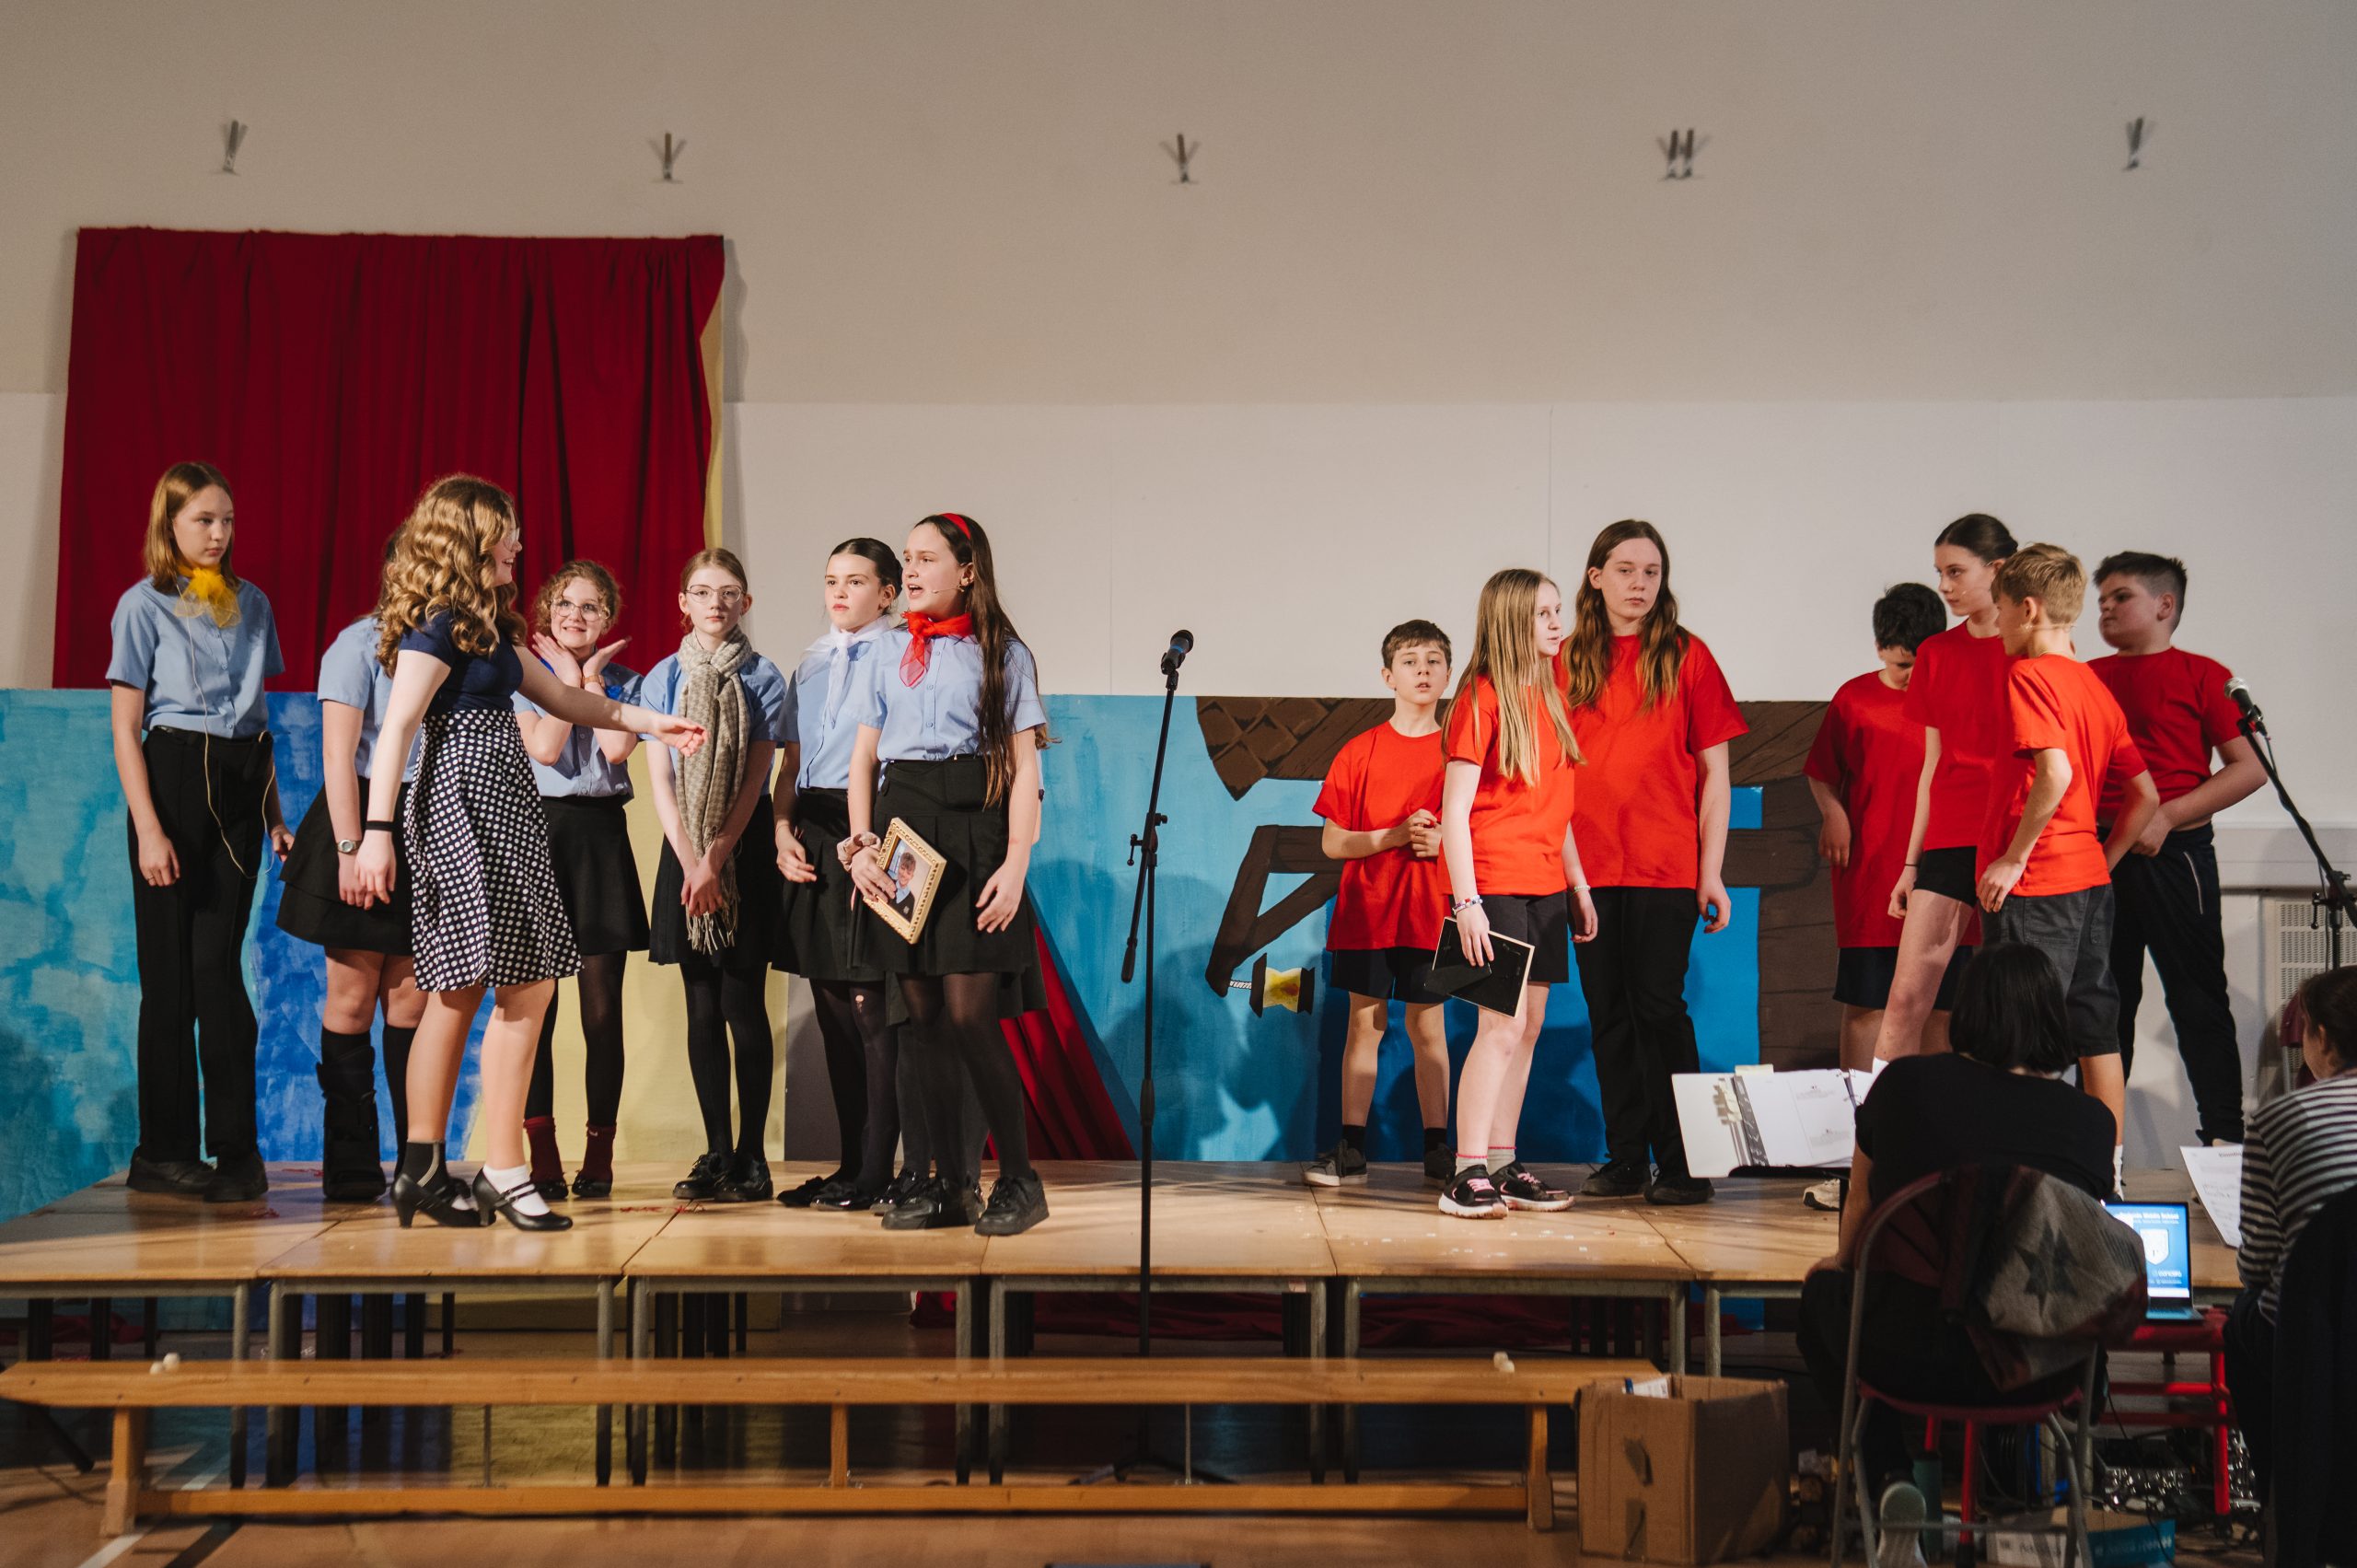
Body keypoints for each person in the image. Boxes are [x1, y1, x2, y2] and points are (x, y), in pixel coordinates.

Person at [354, 476, 703, 1232]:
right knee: (464, 984)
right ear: (472, 538)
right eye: (506, 529)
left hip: (508, 809)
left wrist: (655, 722)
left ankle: (468, 1169)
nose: (517, 541)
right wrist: (376, 833)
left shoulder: (493, 629)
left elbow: (571, 702)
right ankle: (455, 1168)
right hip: (459, 805)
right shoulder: (439, 627)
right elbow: (399, 728)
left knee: (522, 984)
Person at [1796, 943, 2119, 1561]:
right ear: (2053, 1019)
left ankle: (1889, 1480)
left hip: (1907, 1353)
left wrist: (1840, 1267)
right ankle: (2038, 1518)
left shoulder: (1904, 1085)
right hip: (2039, 1366)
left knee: (1825, 1298)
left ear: (1968, 1011)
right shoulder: (2091, 1123)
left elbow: (1859, 1218)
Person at [844, 512, 1051, 1237]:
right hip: (905, 827)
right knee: (923, 1020)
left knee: (969, 1015)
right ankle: (950, 1184)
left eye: (926, 558)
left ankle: (1020, 1178)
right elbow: (863, 758)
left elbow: (1024, 768)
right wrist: (861, 846)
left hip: (974, 829)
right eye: (907, 557)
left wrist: (1016, 862)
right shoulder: (886, 649)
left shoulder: (1003, 653)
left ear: (967, 570)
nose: (911, 570)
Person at [107, 461, 295, 1202]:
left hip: (241, 783)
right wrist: (150, 828)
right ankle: (163, 1150)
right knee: (171, 978)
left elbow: (259, 721)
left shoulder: (253, 603)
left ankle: (238, 1150)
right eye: (203, 520)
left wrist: (275, 815)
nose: (218, 534)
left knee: (219, 971)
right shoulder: (142, 605)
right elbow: (126, 728)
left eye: (227, 520)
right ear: (171, 523)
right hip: (174, 778)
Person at [1563, 520, 1747, 1206]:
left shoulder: (1686, 654)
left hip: (1665, 865)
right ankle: (1626, 1159)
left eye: (1651, 572)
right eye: (1625, 570)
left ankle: (1684, 1164)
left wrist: (1711, 870)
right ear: (1596, 578)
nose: (1639, 584)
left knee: (1659, 1011)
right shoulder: (1565, 658)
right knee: (1608, 1014)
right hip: (1588, 870)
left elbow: (1716, 774)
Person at [1977, 543, 2159, 1191]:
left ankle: (2030, 1176)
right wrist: (2101, 860)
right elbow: (2146, 796)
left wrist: (2014, 855)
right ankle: (2105, 1173)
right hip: (2087, 881)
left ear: (2028, 609)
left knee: (2024, 1032)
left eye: (2001, 609)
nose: (1997, 624)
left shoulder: (2029, 675)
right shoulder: (2093, 686)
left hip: (2038, 884)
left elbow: (2054, 772)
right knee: (2095, 1027)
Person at [2089, 552, 2266, 1146]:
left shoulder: (2204, 674)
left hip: (2176, 854)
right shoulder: (2085, 676)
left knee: (2197, 999)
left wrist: (2166, 816)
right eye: (2101, 600)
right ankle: (2100, 1150)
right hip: (2100, 852)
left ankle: (2225, 1144)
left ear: (2165, 605)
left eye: (2121, 597)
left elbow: (2249, 768)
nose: (2106, 609)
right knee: (2104, 1003)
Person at [1435, 570, 1595, 1219]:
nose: (1558, 624)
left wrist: (1578, 883)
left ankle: (1501, 1162)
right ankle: (1466, 1171)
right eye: (1543, 614)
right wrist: (1467, 902)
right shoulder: (1481, 697)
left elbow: (1558, 809)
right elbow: (1454, 812)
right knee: (1498, 1027)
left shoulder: (1551, 696)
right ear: (1511, 621)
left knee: (1527, 1028)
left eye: (1558, 611)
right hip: (1494, 881)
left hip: (1544, 885)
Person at [774, 539, 927, 1212]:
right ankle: (850, 1162)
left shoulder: (902, 654)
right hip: (813, 827)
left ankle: (882, 1166)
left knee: (874, 1008)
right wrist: (781, 828)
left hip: (868, 826)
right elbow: (792, 763)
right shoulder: (809, 662)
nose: (840, 592)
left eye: (857, 581)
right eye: (832, 580)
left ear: (888, 593)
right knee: (834, 1007)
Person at [273, 534, 424, 1202]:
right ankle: (351, 1158)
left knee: (412, 1001)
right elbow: (338, 755)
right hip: (362, 815)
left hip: (428, 821)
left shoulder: (450, 644)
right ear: (392, 569)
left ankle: (420, 1159)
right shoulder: (358, 644)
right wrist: (349, 846)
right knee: (353, 997)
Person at [641, 547, 792, 1204]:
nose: (716, 604)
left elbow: (757, 779)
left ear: (745, 603)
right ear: (683, 602)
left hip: (739, 852)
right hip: (683, 853)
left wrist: (715, 860)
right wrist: (689, 860)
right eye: (702, 592)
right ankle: (717, 1150)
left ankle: (753, 1156)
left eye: (729, 593)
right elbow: (660, 781)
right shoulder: (663, 677)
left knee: (741, 1001)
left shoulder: (763, 677)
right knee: (699, 1004)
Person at [1303, 619, 1456, 1189]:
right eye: (1410, 662)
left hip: (1433, 912)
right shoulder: (1359, 751)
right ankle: (1352, 1148)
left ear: (1448, 673)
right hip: (1368, 913)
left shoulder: (1460, 754)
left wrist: (1445, 844)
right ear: (1389, 676)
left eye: (1434, 660)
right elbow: (1333, 842)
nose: (1423, 671)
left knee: (1429, 1028)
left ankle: (1439, 1150)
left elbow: (1482, 833)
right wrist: (1391, 836)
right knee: (1365, 1025)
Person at [514, 561, 646, 1201]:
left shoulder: (626, 682)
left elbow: (617, 752)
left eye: (590, 606)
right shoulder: (522, 674)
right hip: (538, 833)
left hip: (599, 839)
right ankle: (541, 1153)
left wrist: (590, 681)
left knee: (601, 1010)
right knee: (535, 1007)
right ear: (547, 610)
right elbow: (543, 749)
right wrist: (565, 683)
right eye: (565, 603)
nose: (576, 615)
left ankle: (599, 1152)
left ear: (607, 618)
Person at [1875, 514, 2017, 1063]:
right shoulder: (1936, 652)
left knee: (2011, 1006)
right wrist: (1911, 865)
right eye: (1939, 573)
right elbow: (1932, 764)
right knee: (1905, 998)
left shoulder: (2034, 649)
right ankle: (1885, 1117)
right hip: (1950, 837)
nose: (1944, 586)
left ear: (1996, 569)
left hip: (2015, 837)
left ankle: (2002, 1115)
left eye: (1956, 572)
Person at [1806, 584, 1967, 1075]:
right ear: (1880, 648)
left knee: (1942, 1008)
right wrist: (1833, 813)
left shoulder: (1958, 699)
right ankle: (1858, 1111)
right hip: (1872, 874)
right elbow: (1822, 770)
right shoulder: (1854, 700)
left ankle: (1935, 1113)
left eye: (1922, 665)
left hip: (1944, 870)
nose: (1913, 677)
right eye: (1902, 666)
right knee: (1867, 1002)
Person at [2223, 966, 2357, 1500]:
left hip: (2313, 1334)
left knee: (2242, 1318)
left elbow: (2256, 1265)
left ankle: (2281, 1496)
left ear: (2321, 1036)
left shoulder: (2279, 1119)